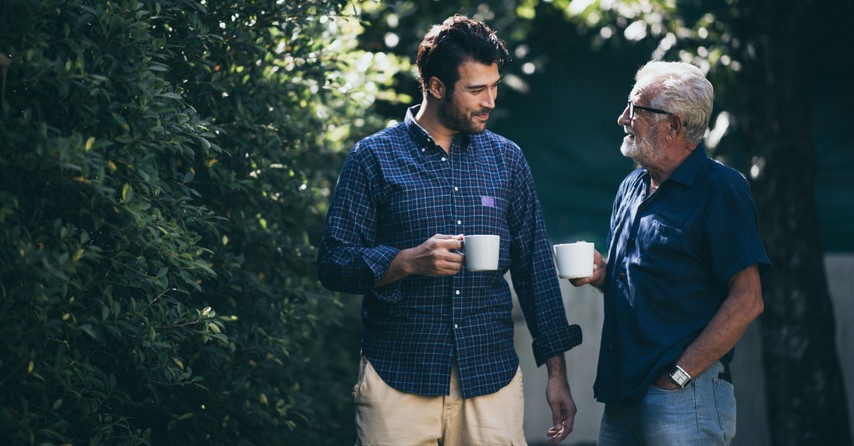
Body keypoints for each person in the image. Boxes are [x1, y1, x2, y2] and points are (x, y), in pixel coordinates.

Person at [317, 14, 582, 446]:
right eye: (476, 90)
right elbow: (333, 263)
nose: (490, 100)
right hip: (398, 375)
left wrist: (557, 373)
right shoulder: (373, 158)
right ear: (436, 87)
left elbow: (534, 270)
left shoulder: (507, 160)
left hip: (490, 376)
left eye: (494, 85)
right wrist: (404, 262)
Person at [570, 61, 770, 445]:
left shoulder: (721, 189)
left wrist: (678, 376)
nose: (622, 118)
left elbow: (748, 300)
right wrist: (602, 275)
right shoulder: (631, 186)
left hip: (683, 394)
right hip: (622, 392)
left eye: (635, 109)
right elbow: (645, 283)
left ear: (674, 125)